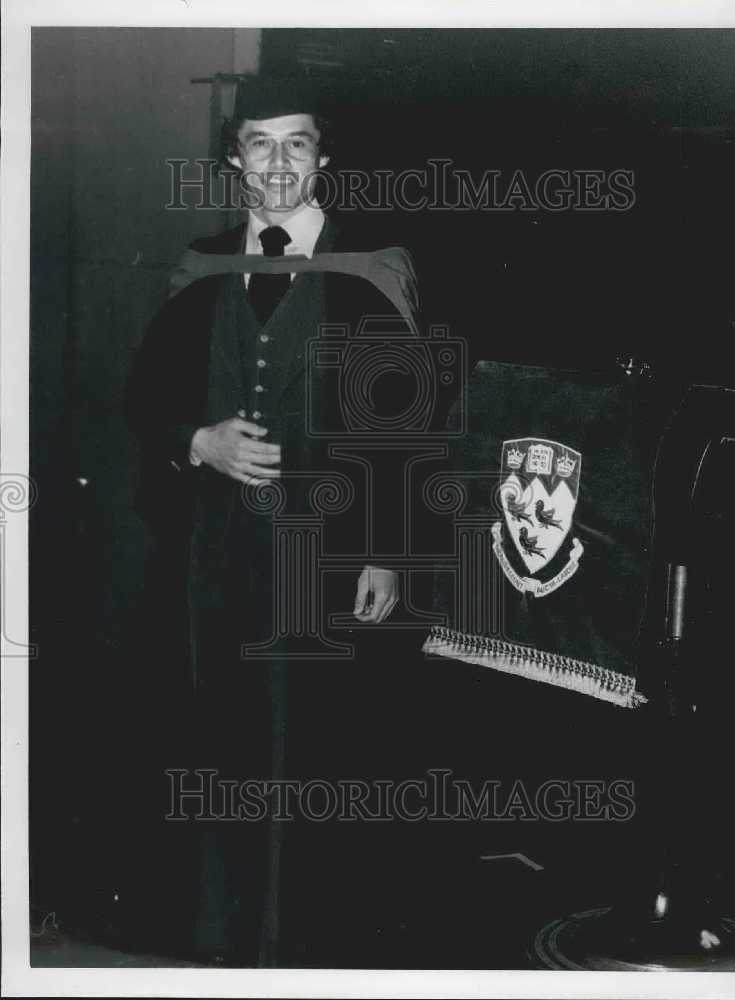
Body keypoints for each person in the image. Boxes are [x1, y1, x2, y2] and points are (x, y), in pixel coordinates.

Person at [126, 74, 420, 966]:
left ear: (323, 159)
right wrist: (197, 441)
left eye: (297, 142)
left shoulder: (374, 270)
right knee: (217, 736)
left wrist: (384, 551)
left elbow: (406, 424)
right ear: (235, 162)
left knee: (315, 749)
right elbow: (145, 400)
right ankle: (217, 941)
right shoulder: (196, 265)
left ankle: (303, 950)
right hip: (212, 553)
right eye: (261, 142)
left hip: (328, 554)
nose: (280, 160)